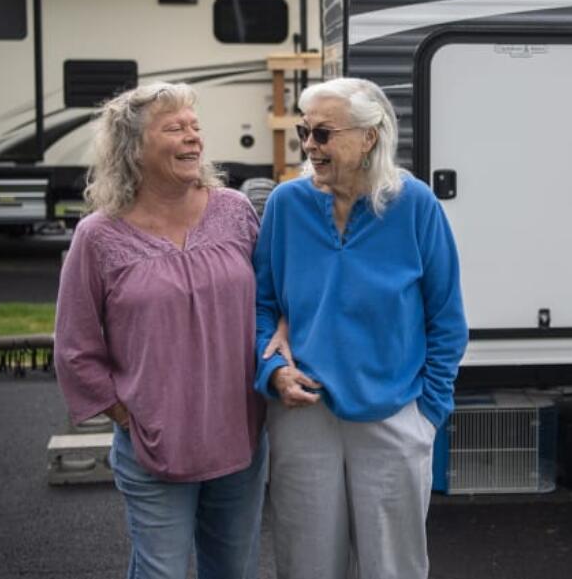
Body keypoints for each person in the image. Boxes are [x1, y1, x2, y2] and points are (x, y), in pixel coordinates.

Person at [55, 82, 276, 579]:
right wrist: (129, 416)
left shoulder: (234, 212)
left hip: (239, 438)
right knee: (161, 572)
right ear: (133, 147)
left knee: (234, 570)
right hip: (154, 446)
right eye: (174, 128)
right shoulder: (99, 236)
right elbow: (75, 346)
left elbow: (269, 302)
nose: (192, 137)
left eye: (195, 127)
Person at [254, 77, 469, 579]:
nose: (310, 145)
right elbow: (261, 305)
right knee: (306, 566)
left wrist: (427, 414)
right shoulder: (286, 205)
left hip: (394, 415)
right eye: (305, 132)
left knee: (392, 568)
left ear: (368, 136)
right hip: (302, 412)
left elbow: (447, 319)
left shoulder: (415, 205)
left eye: (324, 134)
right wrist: (271, 373)